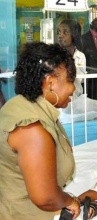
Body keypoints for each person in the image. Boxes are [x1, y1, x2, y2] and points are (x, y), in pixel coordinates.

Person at [0, 42, 80, 219]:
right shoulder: (32, 130)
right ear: (50, 83)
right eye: (70, 81)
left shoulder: (18, 104)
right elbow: (45, 198)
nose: (73, 89)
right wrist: (70, 201)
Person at [57, 19, 86, 97]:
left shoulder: (80, 56)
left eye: (65, 32)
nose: (60, 35)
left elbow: (81, 79)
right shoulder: (55, 55)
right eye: (59, 32)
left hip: (76, 95)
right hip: (60, 96)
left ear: (74, 35)